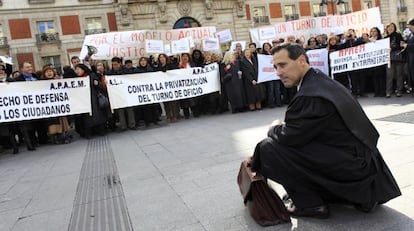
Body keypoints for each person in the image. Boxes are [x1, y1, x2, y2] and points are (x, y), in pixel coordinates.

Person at [249, 43, 401, 219]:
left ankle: (311, 205)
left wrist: (274, 127)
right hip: (361, 162)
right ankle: (343, 196)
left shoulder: (310, 94)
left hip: (354, 168)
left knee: (268, 149)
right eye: (275, 67)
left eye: (283, 65)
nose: (278, 72)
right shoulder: (320, 81)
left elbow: (289, 137)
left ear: (301, 61)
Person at [401, 17, 414, 96]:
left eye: (410, 27)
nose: (409, 29)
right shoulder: (410, 35)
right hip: (410, 57)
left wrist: (407, 45)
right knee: (411, 74)